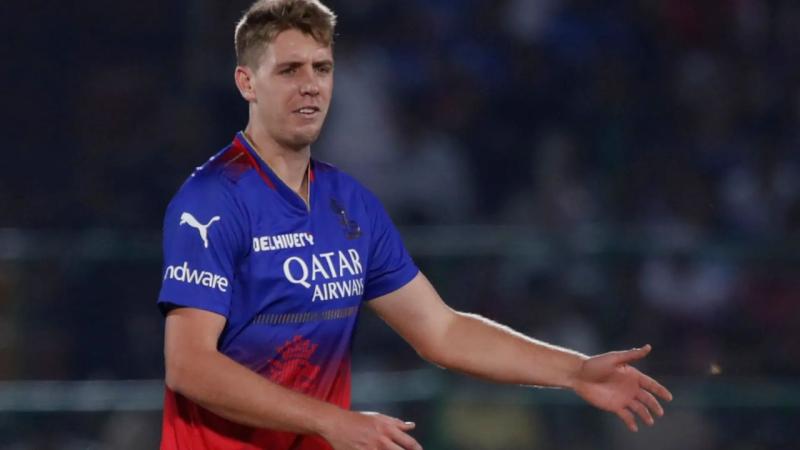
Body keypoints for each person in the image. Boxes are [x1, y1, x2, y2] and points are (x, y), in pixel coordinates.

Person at [157, 1, 673, 449]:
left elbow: (442, 330)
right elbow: (189, 365)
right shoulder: (213, 200)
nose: (310, 85)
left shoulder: (349, 204)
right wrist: (332, 421)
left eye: (322, 67)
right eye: (289, 70)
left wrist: (575, 371)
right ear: (247, 82)